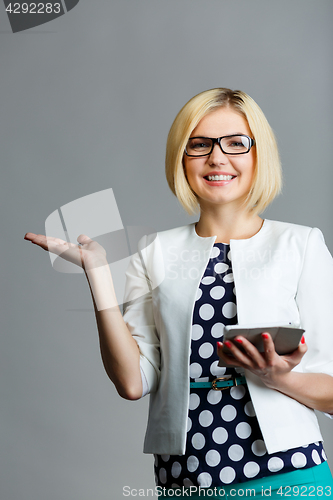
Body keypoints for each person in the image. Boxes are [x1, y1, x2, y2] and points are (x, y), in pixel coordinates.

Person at [25, 88, 333, 499]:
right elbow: (133, 383)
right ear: (180, 158)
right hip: (184, 477)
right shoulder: (154, 251)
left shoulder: (301, 245)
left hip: (285, 472)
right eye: (199, 144)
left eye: (236, 143)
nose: (217, 158)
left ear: (260, 155)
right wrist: (99, 275)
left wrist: (277, 377)